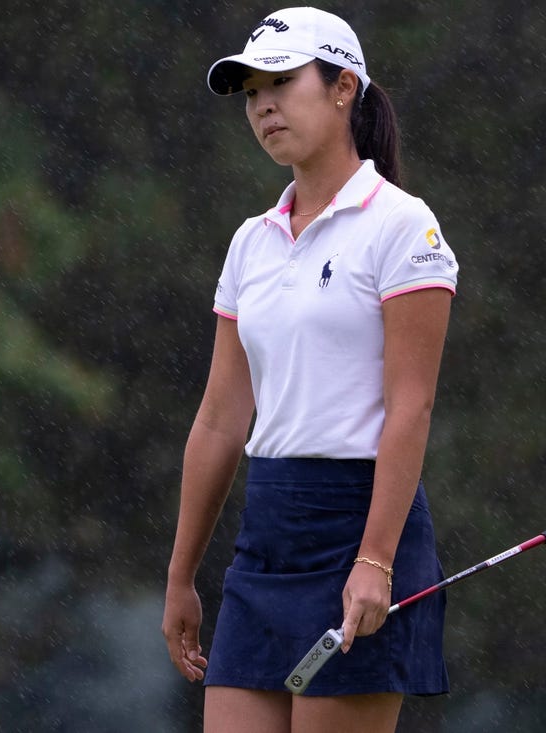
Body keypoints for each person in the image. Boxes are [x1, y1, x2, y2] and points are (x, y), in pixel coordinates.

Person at [161, 7, 459, 732]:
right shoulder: (250, 243)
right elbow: (221, 417)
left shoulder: (402, 226)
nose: (262, 104)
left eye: (281, 82)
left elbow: (410, 407)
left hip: (359, 525)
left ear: (342, 88)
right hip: (267, 536)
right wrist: (180, 575)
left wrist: (377, 560)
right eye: (250, 92)